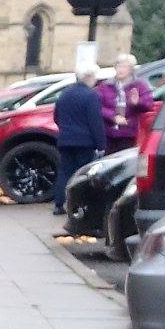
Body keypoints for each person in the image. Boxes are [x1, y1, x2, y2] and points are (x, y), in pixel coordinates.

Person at [50, 62, 105, 215]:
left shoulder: (64, 94)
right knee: (82, 174)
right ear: (89, 77)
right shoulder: (91, 95)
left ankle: (59, 204)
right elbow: (95, 122)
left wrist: (65, 130)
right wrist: (101, 143)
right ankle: (80, 205)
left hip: (65, 140)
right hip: (85, 142)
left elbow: (57, 117)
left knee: (65, 172)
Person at [100, 52, 155, 149]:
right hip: (108, 133)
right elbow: (97, 106)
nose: (120, 69)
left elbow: (149, 105)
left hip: (128, 133)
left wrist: (137, 103)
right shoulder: (105, 86)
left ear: (131, 70)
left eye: (124, 67)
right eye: (118, 66)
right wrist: (113, 117)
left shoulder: (139, 85)